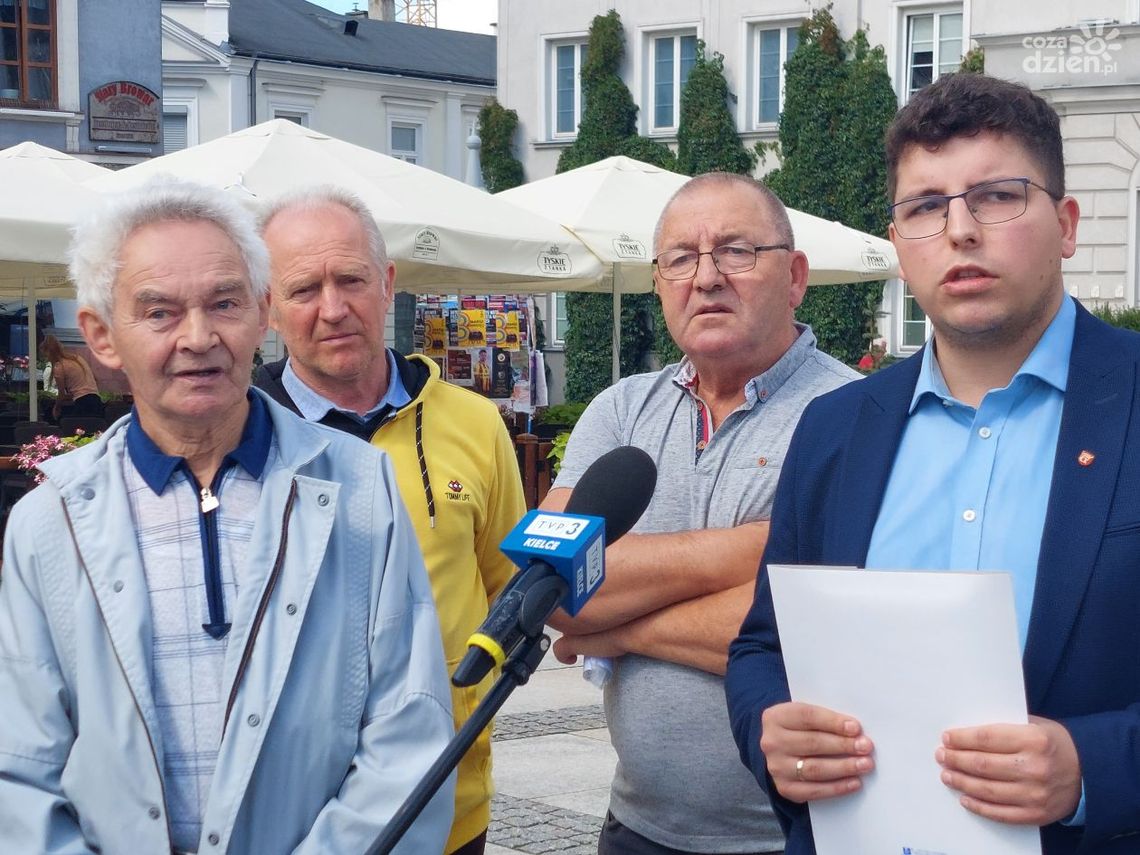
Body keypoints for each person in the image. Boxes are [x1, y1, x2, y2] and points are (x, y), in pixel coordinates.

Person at [725, 73, 1140, 855]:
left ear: (1068, 223)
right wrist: (768, 729)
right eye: (925, 207)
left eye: (996, 196)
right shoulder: (836, 428)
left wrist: (1092, 768)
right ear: (900, 245)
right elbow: (760, 647)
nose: (960, 231)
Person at [0, 177, 455, 854]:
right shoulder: (49, 522)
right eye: (158, 313)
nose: (199, 336)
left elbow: (409, 737)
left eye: (224, 302)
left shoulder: (361, 487)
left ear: (261, 312)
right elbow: (20, 775)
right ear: (101, 335)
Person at [544, 172, 859, 855]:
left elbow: (821, 638)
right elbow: (551, 585)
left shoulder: (856, 416)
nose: (706, 277)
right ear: (659, 282)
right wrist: (753, 552)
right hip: (637, 829)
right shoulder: (620, 410)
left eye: (737, 251)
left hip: (798, 837)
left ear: (795, 275)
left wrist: (619, 628)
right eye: (681, 257)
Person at [254, 186, 527, 855]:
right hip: (289, 818)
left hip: (446, 801)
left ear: (387, 284)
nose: (333, 307)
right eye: (303, 289)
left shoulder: (474, 421)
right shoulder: (235, 435)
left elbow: (508, 590)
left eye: (351, 279)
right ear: (268, 308)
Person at [41, 332, 104, 422]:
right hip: (96, 399)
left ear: (49, 353)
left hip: (82, 402)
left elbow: (61, 394)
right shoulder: (78, 359)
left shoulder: (59, 367)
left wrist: (56, 407)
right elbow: (95, 379)